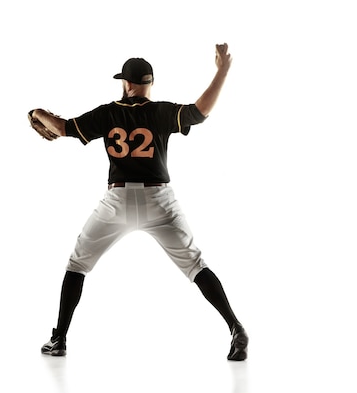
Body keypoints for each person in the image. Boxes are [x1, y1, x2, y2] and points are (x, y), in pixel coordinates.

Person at [29, 43, 248, 361]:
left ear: (125, 83)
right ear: (149, 83)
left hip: (116, 202)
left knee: (77, 265)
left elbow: (62, 128)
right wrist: (222, 70)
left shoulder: (108, 113)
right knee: (196, 265)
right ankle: (236, 328)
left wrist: (37, 113)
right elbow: (199, 112)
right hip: (159, 201)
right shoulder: (161, 112)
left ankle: (59, 338)